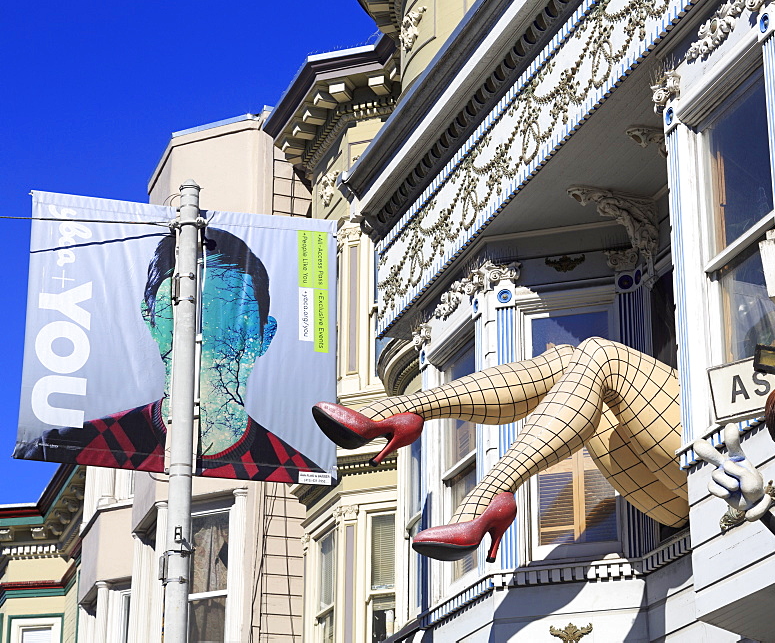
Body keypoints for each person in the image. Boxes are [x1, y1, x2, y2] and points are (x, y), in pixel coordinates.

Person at [314, 337, 687, 561]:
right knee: (569, 359)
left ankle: (398, 418)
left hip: (721, 465)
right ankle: (408, 417)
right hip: (683, 486)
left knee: (599, 356)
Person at [16, 228, 322, 484]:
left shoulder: (298, 467)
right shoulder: (72, 444)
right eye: (180, 308)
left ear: (264, 335)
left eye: (231, 314)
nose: (205, 334)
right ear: (149, 319)